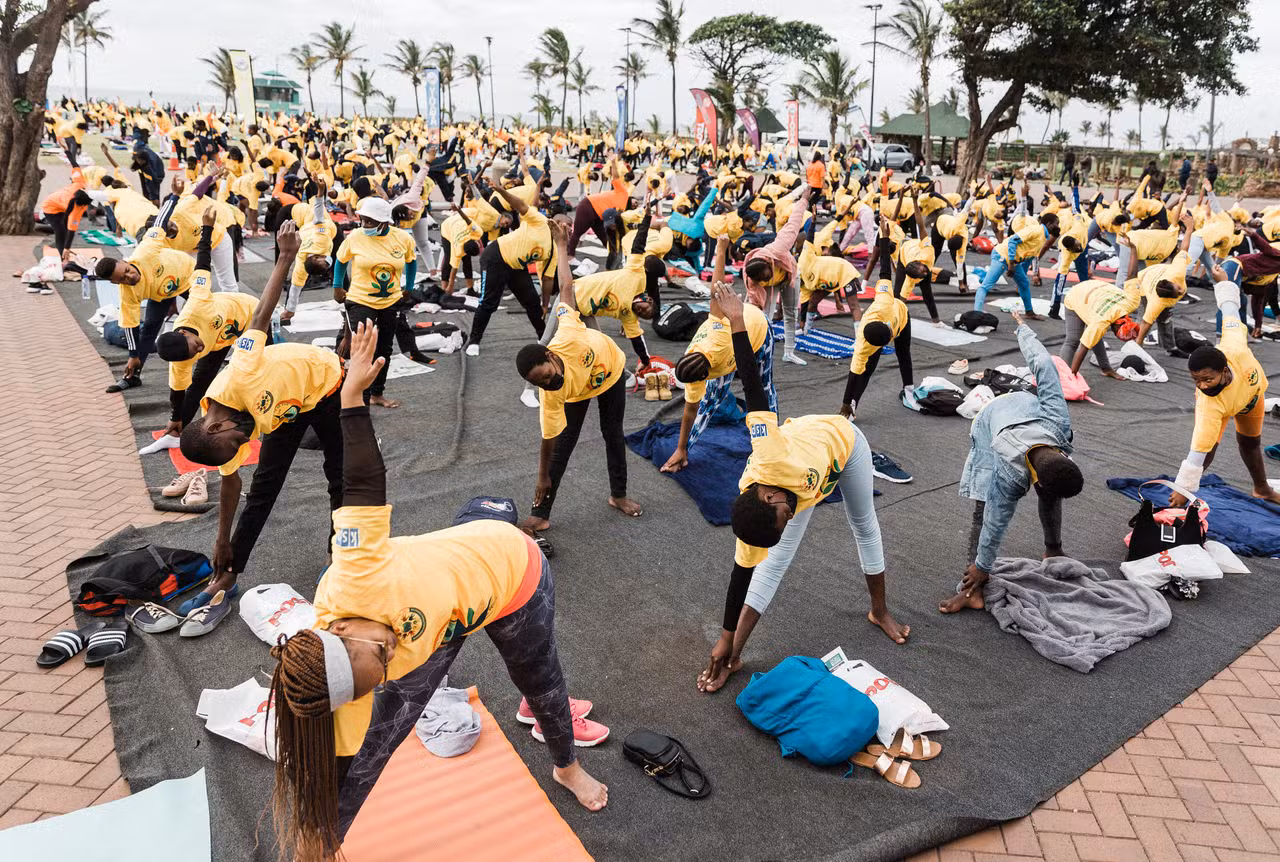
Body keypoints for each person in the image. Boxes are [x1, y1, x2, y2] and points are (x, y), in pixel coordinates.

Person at [267, 323, 608, 862]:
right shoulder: (347, 680)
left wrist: (352, 398)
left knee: (540, 681)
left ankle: (567, 766)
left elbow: (359, 482)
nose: (389, 656)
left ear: (341, 627)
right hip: (446, 611)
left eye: (381, 654)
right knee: (378, 739)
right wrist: (318, 841)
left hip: (511, 573)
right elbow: (344, 766)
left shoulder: (355, 571)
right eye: (379, 667)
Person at [697, 279, 907, 695]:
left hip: (843, 443)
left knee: (864, 525)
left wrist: (739, 320)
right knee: (773, 564)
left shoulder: (769, 456)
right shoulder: (758, 516)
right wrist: (727, 641)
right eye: (784, 521)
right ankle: (737, 653)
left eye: (784, 515)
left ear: (770, 494)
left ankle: (879, 610)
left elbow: (753, 386)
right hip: (810, 473)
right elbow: (743, 574)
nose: (791, 518)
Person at [178, 221, 345, 612]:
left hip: (327, 382)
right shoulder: (218, 439)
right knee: (264, 488)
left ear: (216, 426)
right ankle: (229, 574)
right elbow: (232, 486)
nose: (245, 443)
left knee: (340, 476)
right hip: (290, 410)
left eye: (238, 442)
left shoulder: (241, 372)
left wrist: (286, 256)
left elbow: (260, 317)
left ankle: (338, 560)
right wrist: (223, 542)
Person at [940, 310, 1083, 614]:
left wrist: (1024, 330)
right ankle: (970, 589)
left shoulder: (1058, 422)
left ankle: (1053, 548)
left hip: (1025, 407)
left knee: (1052, 492)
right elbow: (995, 522)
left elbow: (1043, 365)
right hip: (991, 420)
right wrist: (982, 567)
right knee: (983, 507)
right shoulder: (1010, 474)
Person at [516, 220, 643, 531]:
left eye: (547, 375)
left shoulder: (569, 334)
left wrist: (562, 246)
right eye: (541, 384)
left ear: (551, 355)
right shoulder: (553, 392)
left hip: (610, 371)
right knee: (564, 444)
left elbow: (567, 288)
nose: (548, 383)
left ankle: (619, 495)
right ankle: (541, 514)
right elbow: (549, 438)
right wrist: (541, 475)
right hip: (579, 392)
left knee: (612, 432)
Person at [520, 201, 665, 408]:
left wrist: (646, 361)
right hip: (571, 296)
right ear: (647, 298)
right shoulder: (636, 275)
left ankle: (620, 375)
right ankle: (527, 390)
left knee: (602, 345)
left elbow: (638, 340)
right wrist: (647, 218)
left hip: (586, 311)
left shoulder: (629, 317)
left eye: (643, 314)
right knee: (545, 341)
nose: (641, 310)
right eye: (646, 308)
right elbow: (638, 245)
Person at [662, 236, 775, 473]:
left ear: (704, 374)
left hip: (759, 330)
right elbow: (691, 410)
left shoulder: (718, 339)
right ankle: (685, 452)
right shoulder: (696, 356)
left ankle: (772, 442)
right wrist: (681, 449)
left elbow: (718, 286)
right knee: (710, 402)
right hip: (733, 341)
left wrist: (722, 248)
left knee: (763, 388)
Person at [1168, 274, 1280, 508]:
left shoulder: (1233, 345)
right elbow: (1198, 449)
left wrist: (1223, 282)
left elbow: (1229, 309)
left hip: (1251, 400)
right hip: (1224, 408)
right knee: (1208, 447)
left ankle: (1262, 489)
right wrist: (1183, 488)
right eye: (1196, 380)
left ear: (1224, 369)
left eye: (1208, 379)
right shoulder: (1209, 402)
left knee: (1251, 444)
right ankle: (1182, 500)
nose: (1202, 385)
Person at [153, 207, 259, 444]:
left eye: (194, 346)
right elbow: (178, 392)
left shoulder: (197, 302)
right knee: (202, 379)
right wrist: (176, 417)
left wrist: (207, 228)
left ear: (183, 332)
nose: (197, 349)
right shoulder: (181, 360)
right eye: (193, 353)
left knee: (259, 363)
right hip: (221, 339)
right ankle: (179, 431)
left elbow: (202, 261)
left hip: (250, 314)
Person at [333, 196, 417, 409]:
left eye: (370, 222)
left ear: (384, 222)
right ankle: (356, 397)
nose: (364, 225)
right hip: (360, 300)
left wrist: (409, 287)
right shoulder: (355, 237)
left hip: (390, 301)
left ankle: (376, 393)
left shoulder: (402, 239)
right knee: (361, 350)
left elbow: (411, 261)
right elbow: (341, 261)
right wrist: (337, 287)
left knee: (384, 348)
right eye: (363, 220)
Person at [93, 226, 196, 393]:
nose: (130, 276)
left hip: (188, 274)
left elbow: (160, 223)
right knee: (148, 328)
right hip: (161, 291)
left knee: (199, 319)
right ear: (116, 283)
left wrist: (173, 198)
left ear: (125, 261)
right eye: (123, 279)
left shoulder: (145, 252)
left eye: (127, 270)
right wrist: (133, 356)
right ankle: (133, 377)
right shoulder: (128, 292)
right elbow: (130, 324)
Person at [464, 170, 556, 356]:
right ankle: (474, 341)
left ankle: (544, 339)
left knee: (533, 304)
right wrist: (500, 190)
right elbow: (521, 204)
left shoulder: (556, 249)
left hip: (516, 266)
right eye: (566, 226)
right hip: (496, 256)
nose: (569, 231)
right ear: (555, 223)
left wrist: (545, 303)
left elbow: (547, 278)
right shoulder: (540, 221)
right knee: (489, 302)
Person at [840, 223, 914, 418]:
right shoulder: (863, 345)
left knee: (903, 353)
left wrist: (884, 239)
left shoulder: (883, 300)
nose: (891, 338)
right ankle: (853, 407)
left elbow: (884, 271)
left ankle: (909, 389)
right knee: (867, 369)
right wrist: (846, 403)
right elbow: (853, 374)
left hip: (902, 316)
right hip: (879, 333)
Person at [743, 185, 811, 365]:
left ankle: (789, 352)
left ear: (768, 263)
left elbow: (793, 224)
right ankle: (759, 352)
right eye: (763, 280)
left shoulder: (778, 248)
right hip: (774, 284)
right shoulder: (753, 282)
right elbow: (754, 309)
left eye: (767, 276)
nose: (765, 279)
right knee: (764, 317)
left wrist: (804, 200)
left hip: (789, 274)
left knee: (790, 313)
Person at [971, 194, 1059, 317]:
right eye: (1056, 223)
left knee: (1023, 284)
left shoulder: (1043, 237)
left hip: (1014, 261)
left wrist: (1027, 272)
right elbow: (1013, 240)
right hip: (1002, 255)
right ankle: (976, 314)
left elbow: (1030, 257)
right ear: (1049, 224)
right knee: (986, 286)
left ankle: (1029, 312)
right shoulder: (1036, 230)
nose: (1058, 227)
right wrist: (1011, 264)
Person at [39, 181, 91, 258]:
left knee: (64, 228)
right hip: (50, 208)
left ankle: (63, 249)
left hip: (59, 206)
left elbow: (76, 175)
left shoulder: (77, 186)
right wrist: (67, 248)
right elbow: (72, 230)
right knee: (60, 232)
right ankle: (63, 257)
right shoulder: (75, 210)